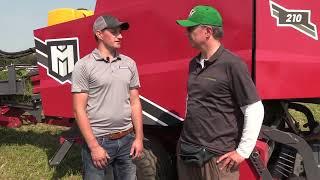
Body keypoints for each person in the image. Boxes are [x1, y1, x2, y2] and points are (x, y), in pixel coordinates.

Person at [176, 5, 264, 180]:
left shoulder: (232, 64)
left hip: (216, 158)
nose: (187, 33)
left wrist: (242, 152)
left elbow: (254, 109)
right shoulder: (194, 63)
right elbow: (192, 100)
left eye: (191, 28)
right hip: (188, 151)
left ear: (208, 31)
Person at [71, 15, 143, 180]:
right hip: (100, 141)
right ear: (99, 34)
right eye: (114, 32)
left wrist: (138, 138)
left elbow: (135, 102)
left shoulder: (129, 64)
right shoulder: (84, 66)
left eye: (120, 32)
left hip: (127, 141)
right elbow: (78, 110)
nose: (120, 36)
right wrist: (94, 147)